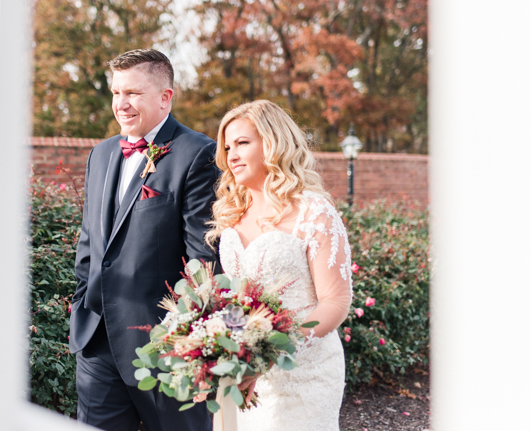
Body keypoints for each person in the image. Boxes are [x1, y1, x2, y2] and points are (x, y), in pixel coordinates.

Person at [69, 49, 217, 431]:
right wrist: (81, 304)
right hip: (97, 341)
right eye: (117, 92)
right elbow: (90, 243)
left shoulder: (197, 153)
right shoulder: (100, 154)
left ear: (165, 97)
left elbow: (202, 257)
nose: (121, 103)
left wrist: (186, 337)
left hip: (163, 345)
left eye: (133, 93)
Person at [207, 100, 353, 431]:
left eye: (243, 143)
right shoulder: (232, 213)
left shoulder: (313, 212)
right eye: (227, 146)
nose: (231, 155)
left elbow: (336, 301)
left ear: (273, 144)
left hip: (305, 371)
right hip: (245, 372)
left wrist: (271, 353)